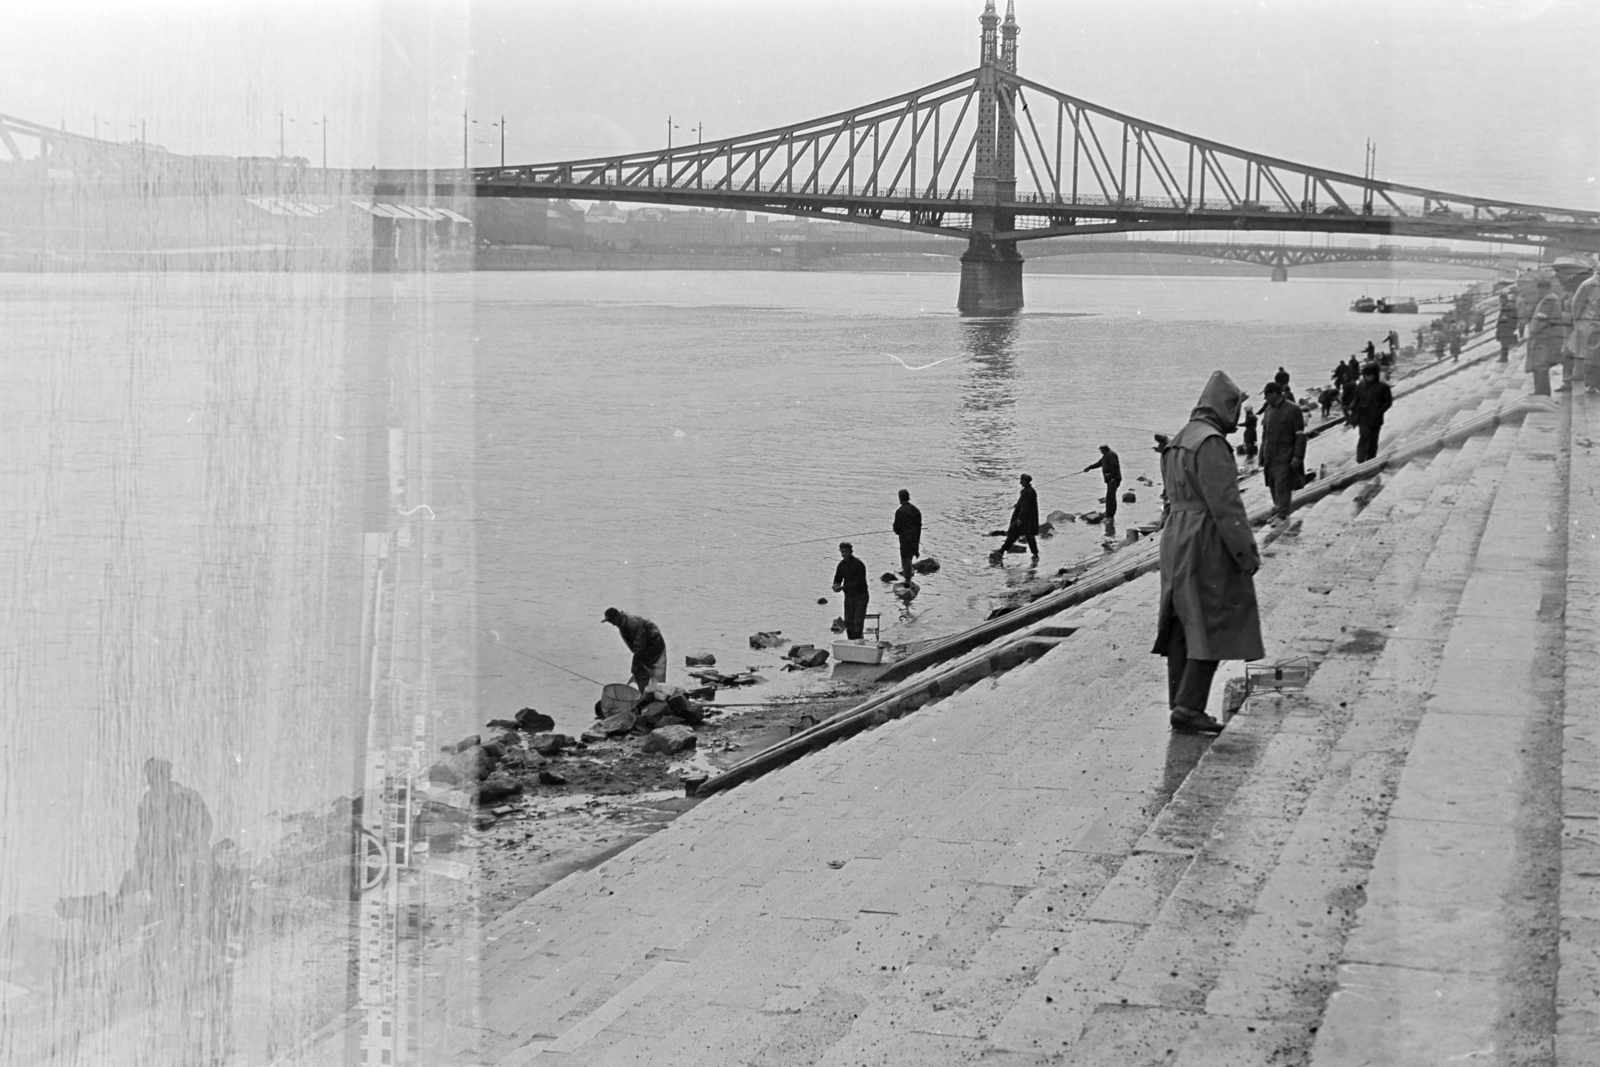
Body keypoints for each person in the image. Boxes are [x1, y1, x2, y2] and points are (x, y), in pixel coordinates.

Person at [1152, 371, 1264, 734]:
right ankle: (1190, 706)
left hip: (1175, 538)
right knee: (1212, 620)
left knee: (1181, 624)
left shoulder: (1181, 438)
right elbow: (1226, 505)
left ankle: (1179, 702)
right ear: (1224, 407)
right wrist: (1246, 554)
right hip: (1205, 539)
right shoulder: (1212, 443)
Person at [124, 758, 214, 920]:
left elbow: (205, 825)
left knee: (196, 896)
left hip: (190, 858)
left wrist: (191, 850)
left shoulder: (187, 797)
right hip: (164, 861)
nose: (153, 780)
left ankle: (199, 930)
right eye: (150, 776)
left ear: (166, 775)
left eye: (157, 774)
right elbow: (144, 836)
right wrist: (140, 861)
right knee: (165, 901)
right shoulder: (147, 803)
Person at [1258, 381, 1305, 521]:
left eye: (1266, 394)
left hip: (1285, 455)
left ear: (1275, 393)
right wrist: (1261, 453)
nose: (1265, 398)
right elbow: (1264, 435)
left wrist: (1298, 456)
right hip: (1270, 455)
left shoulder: (1293, 409)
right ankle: (1278, 508)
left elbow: (1300, 435)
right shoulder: (1268, 410)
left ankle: (1282, 514)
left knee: (1283, 484)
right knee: (1272, 483)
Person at [603, 607, 667, 700]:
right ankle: (644, 696)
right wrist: (637, 663)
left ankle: (658, 700)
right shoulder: (622, 623)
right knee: (641, 671)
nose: (612, 624)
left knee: (657, 675)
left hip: (656, 646)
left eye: (611, 621)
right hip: (645, 650)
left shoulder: (633, 623)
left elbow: (640, 646)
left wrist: (635, 664)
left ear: (617, 616)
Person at [1349, 362, 1394, 463]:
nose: (1368, 377)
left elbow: (1388, 402)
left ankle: (1370, 460)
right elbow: (1356, 399)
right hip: (1363, 417)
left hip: (1375, 418)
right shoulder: (1361, 385)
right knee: (1363, 438)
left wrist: (1379, 411)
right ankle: (1360, 460)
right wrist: (1351, 408)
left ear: (1375, 374)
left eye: (1370, 374)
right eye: (1366, 374)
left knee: (1373, 441)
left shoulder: (1383, 387)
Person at [1526, 278, 1564, 396]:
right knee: (1540, 364)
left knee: (1540, 364)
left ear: (1545, 289)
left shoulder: (1548, 300)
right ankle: (1540, 390)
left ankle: (1542, 391)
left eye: (1539, 290)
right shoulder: (1552, 299)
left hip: (1543, 337)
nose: (1538, 292)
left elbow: (1541, 318)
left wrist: (1533, 331)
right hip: (1548, 336)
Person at [1566, 265, 1600, 394]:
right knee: (1591, 356)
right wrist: (1579, 323)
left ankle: (1595, 383)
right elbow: (1576, 305)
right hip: (1589, 326)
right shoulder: (1588, 285)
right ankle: (1591, 384)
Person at [995, 473, 1040, 562]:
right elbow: (1024, 504)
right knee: (1029, 536)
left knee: (1013, 533)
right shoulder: (1029, 491)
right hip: (1029, 520)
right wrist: (1018, 504)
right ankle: (1035, 554)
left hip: (1024, 520)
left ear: (1025, 481)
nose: (1020, 482)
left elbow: (1025, 508)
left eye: (1021, 480)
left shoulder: (1028, 492)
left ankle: (1002, 551)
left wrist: (1020, 519)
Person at [832, 542, 870, 639]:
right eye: (842, 552)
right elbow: (838, 578)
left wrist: (843, 587)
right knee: (849, 622)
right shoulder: (841, 565)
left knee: (858, 622)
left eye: (846, 552)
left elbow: (859, 582)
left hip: (861, 595)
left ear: (851, 552)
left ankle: (858, 641)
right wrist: (836, 585)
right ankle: (851, 641)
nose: (844, 554)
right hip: (849, 596)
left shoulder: (858, 564)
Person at [1083, 445, 1122, 524]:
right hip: (1110, 480)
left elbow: (1114, 468)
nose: (1100, 451)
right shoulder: (1106, 455)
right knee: (1109, 497)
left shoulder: (1111, 455)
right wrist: (1089, 467)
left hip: (1113, 480)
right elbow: (1099, 463)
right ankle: (1107, 513)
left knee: (1111, 498)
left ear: (1104, 449)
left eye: (1101, 450)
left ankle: (1110, 516)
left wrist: (1110, 476)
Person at [892, 489, 922, 583]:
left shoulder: (900, 511)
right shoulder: (916, 510)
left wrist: (896, 528)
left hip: (905, 539)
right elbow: (919, 527)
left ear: (900, 498)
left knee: (905, 560)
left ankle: (907, 581)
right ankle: (909, 579)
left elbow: (897, 529)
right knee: (910, 558)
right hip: (915, 539)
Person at [1495, 293, 1520, 363]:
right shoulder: (1510, 306)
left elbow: (1504, 318)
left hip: (1505, 328)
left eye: (1501, 299)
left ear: (1505, 299)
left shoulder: (1507, 307)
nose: (1500, 301)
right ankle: (1503, 357)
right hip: (1509, 327)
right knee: (1504, 343)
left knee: (1504, 343)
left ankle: (1503, 358)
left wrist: (1500, 326)